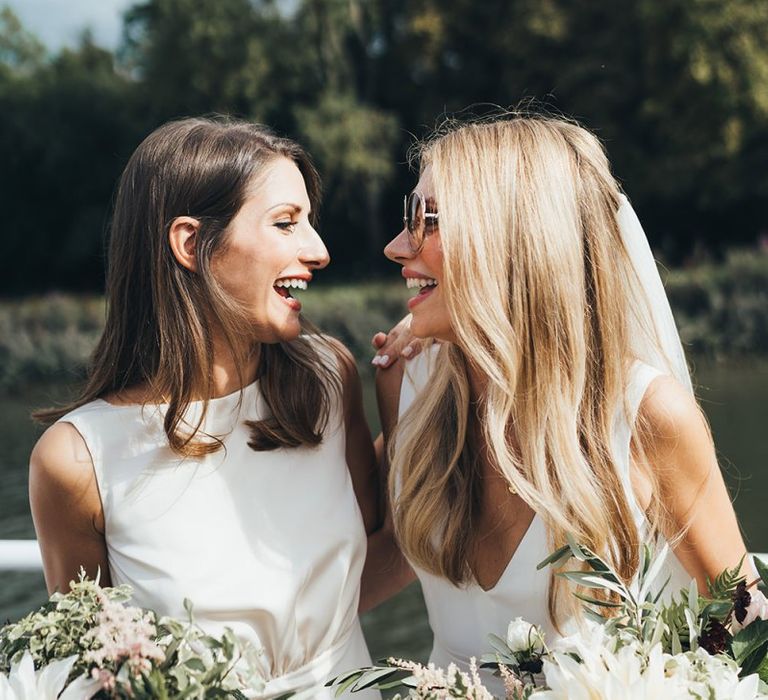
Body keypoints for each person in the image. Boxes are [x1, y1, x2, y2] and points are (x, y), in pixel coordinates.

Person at [369, 114, 756, 695]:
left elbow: (743, 619)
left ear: (515, 239)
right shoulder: (407, 383)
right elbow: (362, 563)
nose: (397, 245)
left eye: (429, 220)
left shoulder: (647, 416)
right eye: (408, 217)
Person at [29, 117, 380, 699]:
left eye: (308, 224)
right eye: (286, 224)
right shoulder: (75, 461)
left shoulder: (328, 378)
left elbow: (385, 544)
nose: (318, 251)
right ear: (192, 244)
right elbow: (88, 673)